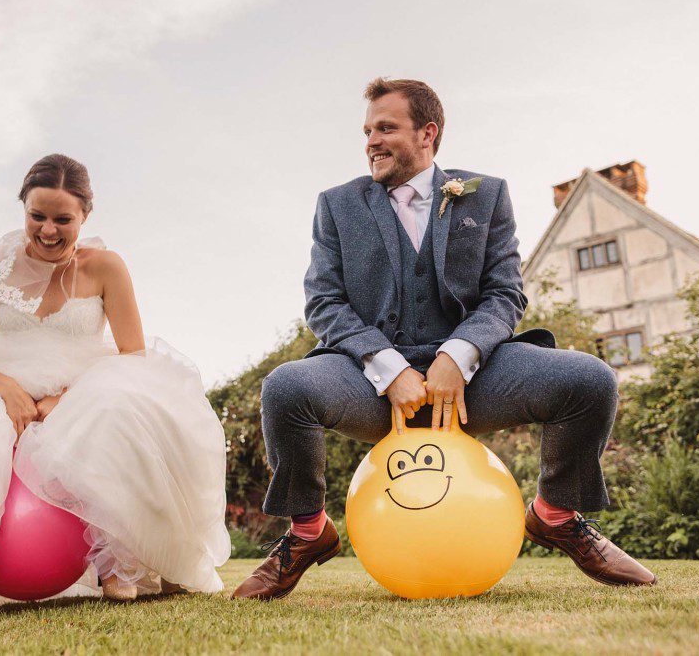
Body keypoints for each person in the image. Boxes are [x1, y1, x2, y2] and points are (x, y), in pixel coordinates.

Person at [232, 78, 656, 601]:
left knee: (590, 380)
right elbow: (324, 302)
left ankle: (557, 516)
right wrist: (388, 368)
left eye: (386, 127)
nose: (371, 140)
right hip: (369, 380)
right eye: (367, 130)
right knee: (285, 389)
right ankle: (307, 532)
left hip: (476, 376)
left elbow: (505, 293)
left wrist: (458, 354)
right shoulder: (336, 205)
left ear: (427, 133)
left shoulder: (487, 193)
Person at [0, 153, 230, 611]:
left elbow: (132, 355)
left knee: (123, 408)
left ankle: (121, 565)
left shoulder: (106, 266)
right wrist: (5, 388)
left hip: (82, 385)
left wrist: (66, 398)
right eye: (37, 216)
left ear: (85, 217)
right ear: (23, 209)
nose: (49, 230)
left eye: (63, 219)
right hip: (1, 383)